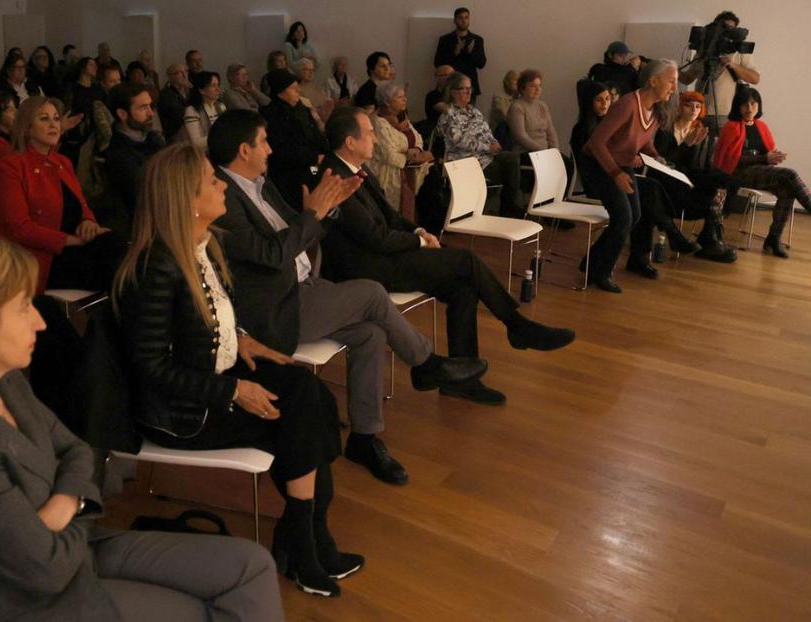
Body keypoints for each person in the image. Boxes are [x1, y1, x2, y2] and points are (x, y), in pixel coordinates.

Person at [0, 233, 281, 619]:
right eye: (23, 307)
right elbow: (46, 570)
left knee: (252, 567)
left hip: (79, 550)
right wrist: (75, 497)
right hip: (29, 602)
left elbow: (77, 449)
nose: (39, 321)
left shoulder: (3, 379)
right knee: (210, 612)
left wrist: (67, 503)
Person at [116, 141, 363, 597]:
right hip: (186, 413)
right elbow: (150, 366)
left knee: (315, 400)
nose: (220, 185)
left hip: (217, 381)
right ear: (185, 199)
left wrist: (245, 341)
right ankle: (304, 545)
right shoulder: (158, 266)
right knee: (304, 410)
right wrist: (234, 393)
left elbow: (213, 316)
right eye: (211, 181)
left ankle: (305, 538)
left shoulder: (202, 246)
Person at [206, 110, 486, 485]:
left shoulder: (260, 184)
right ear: (244, 150)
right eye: (264, 142)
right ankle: (425, 362)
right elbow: (272, 254)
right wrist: (312, 214)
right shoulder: (222, 197)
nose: (271, 149)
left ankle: (365, 437)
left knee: (371, 333)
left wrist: (327, 208)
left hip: (306, 288)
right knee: (371, 292)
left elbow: (303, 231)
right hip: (275, 309)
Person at [319, 106, 575, 405]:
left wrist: (419, 233)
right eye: (370, 133)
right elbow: (374, 238)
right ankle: (517, 325)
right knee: (464, 261)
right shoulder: (333, 178)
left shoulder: (359, 170)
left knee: (462, 286)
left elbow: (391, 217)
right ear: (350, 142)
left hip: (384, 255)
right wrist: (418, 244)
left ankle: (463, 381)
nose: (375, 139)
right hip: (365, 268)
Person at [0, 95, 125, 292]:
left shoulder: (63, 162)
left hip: (77, 248)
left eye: (56, 118)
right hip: (43, 258)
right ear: (27, 127)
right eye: (44, 119)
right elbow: (20, 229)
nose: (54, 124)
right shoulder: (10, 166)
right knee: (120, 265)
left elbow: (82, 205)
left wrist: (88, 221)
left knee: (125, 250)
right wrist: (73, 240)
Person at [583, 59, 677, 293]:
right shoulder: (627, 104)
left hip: (621, 165)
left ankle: (590, 262)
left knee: (634, 216)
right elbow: (596, 142)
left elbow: (644, 144)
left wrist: (657, 157)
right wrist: (614, 173)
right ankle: (600, 272)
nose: (674, 87)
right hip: (600, 165)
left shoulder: (655, 111)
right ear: (653, 80)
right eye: (671, 81)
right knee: (624, 218)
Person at [712, 87, 809, 259]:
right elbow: (730, 160)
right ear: (737, 106)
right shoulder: (731, 127)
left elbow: (769, 152)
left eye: (753, 103)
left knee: (788, 189)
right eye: (744, 104)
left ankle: (773, 238)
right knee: (791, 175)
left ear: (758, 106)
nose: (749, 108)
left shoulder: (762, 126)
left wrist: (774, 157)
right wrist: (764, 158)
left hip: (760, 172)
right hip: (738, 174)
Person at [647, 90, 737, 263]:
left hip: (685, 176)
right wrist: (687, 145)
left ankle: (711, 236)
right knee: (710, 192)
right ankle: (710, 240)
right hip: (665, 180)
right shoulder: (666, 129)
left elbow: (691, 166)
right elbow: (663, 164)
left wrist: (697, 148)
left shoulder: (698, 129)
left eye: (698, 106)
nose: (694, 110)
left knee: (725, 181)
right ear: (680, 107)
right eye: (689, 105)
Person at [438, 72, 522, 217]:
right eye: (464, 89)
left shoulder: (474, 111)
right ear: (453, 92)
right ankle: (504, 208)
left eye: (470, 88)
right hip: (465, 160)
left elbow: (486, 131)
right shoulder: (448, 114)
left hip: (485, 156)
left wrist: (494, 142)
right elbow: (458, 140)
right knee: (505, 168)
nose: (469, 92)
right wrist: (487, 147)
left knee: (512, 158)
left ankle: (508, 207)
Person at [680, 11, 760, 138]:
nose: (726, 33)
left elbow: (755, 78)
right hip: (698, 113)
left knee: (721, 154)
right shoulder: (704, 51)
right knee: (697, 153)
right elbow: (688, 78)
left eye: (730, 29)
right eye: (723, 28)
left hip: (725, 116)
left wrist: (732, 65)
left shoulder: (739, 52)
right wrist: (672, 71)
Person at [260, 70, 326, 211]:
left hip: (313, 165)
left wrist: (326, 153)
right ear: (280, 92)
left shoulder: (302, 110)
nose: (298, 91)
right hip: (291, 173)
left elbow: (316, 135)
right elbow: (281, 149)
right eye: (293, 88)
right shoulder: (270, 115)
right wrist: (314, 157)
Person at [102, 83, 164, 227]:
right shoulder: (118, 154)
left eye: (150, 106)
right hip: (144, 222)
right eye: (143, 107)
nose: (151, 113)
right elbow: (146, 194)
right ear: (122, 114)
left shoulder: (152, 138)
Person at [372, 82, 432, 214]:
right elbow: (390, 156)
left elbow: (418, 138)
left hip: (410, 169)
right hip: (389, 175)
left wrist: (417, 150)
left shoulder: (401, 117)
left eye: (404, 96)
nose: (405, 100)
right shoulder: (379, 123)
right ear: (387, 101)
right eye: (400, 97)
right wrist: (412, 158)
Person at [433, 7, 487, 98]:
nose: (464, 21)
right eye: (460, 18)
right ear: (455, 20)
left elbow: (482, 63)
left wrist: (471, 53)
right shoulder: (445, 40)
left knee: (469, 112)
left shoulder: (477, 40)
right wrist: (455, 52)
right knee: (450, 112)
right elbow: (437, 63)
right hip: (450, 86)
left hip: (469, 87)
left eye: (466, 17)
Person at [506, 68, 559, 154]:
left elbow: (551, 133)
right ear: (523, 89)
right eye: (533, 86)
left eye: (539, 85)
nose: (538, 89)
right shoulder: (517, 107)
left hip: (545, 152)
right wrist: (543, 151)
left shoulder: (543, 106)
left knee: (566, 164)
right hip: (526, 152)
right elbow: (521, 136)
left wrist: (555, 151)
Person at [182, 70, 226, 151]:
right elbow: (196, 143)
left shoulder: (221, 106)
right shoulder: (192, 111)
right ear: (201, 90)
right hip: (203, 154)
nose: (218, 89)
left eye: (218, 85)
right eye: (213, 85)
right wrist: (221, 135)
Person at [158, 63, 191, 142]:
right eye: (180, 73)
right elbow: (178, 115)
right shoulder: (166, 95)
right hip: (176, 134)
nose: (184, 75)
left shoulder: (190, 91)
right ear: (171, 77)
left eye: (186, 71)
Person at [423, 64, 455, 134]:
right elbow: (449, 111)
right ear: (438, 78)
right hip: (438, 132)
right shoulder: (433, 95)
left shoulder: (456, 95)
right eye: (449, 75)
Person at [488, 69, 518, 135]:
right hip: (500, 131)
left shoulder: (518, 98)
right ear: (507, 82)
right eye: (515, 79)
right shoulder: (498, 97)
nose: (517, 83)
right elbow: (503, 116)